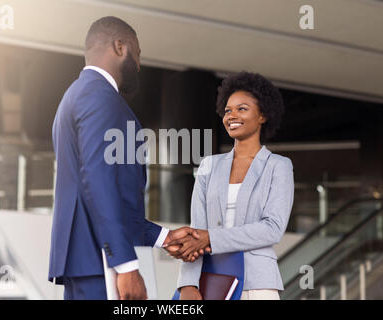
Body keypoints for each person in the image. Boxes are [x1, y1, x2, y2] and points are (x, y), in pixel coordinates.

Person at [48, 16, 198, 300]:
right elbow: (99, 182)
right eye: (137, 53)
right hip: (101, 260)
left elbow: (102, 194)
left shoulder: (76, 94)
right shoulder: (98, 96)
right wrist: (126, 266)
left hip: (88, 259)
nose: (139, 65)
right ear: (120, 47)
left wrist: (164, 237)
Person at [167, 71, 294, 300]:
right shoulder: (209, 165)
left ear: (263, 115)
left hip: (258, 284)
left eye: (242, 109)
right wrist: (187, 283)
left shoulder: (278, 166)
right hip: (211, 280)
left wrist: (212, 239)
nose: (232, 115)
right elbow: (197, 230)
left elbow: (272, 228)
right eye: (228, 110)